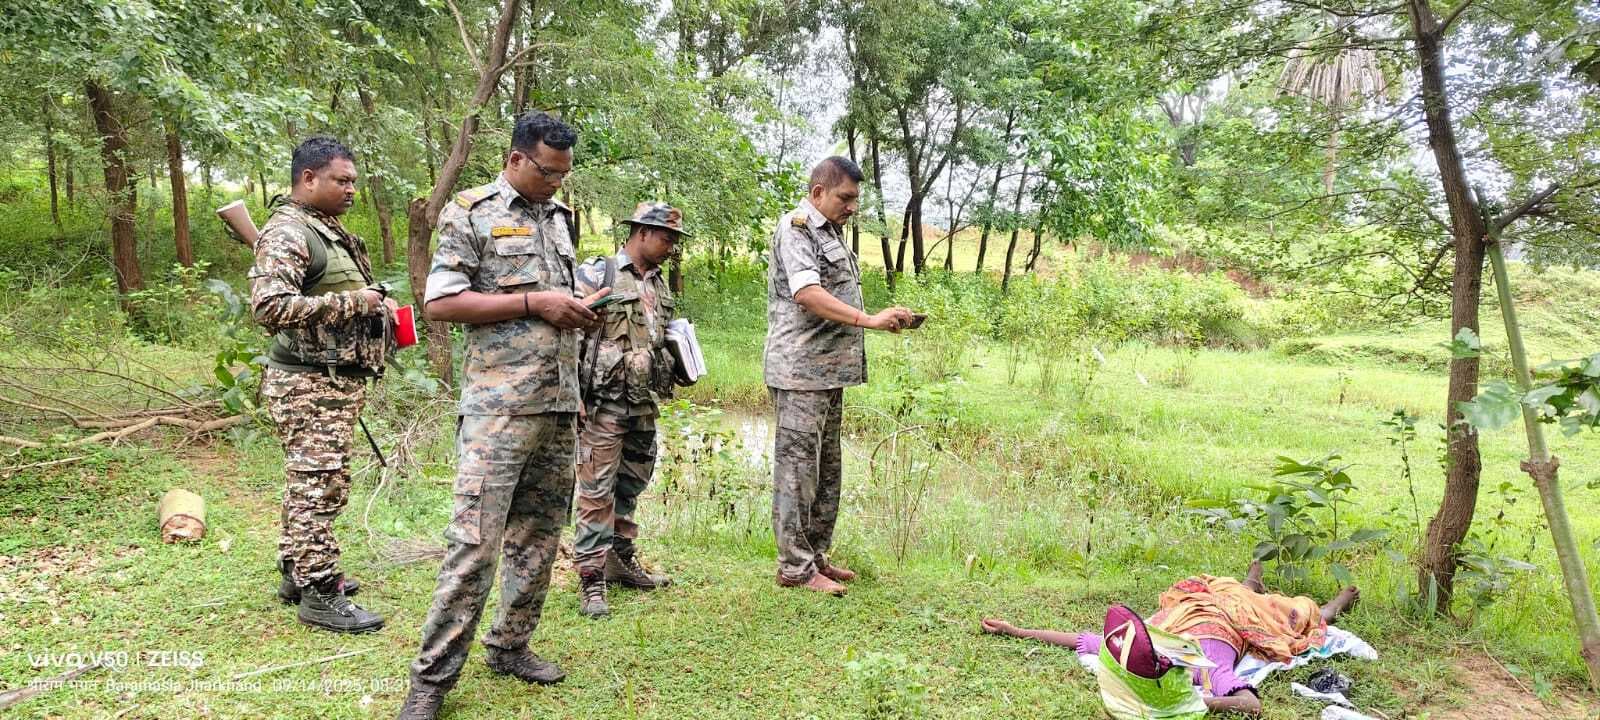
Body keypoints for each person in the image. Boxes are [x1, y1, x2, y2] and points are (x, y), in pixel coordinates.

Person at [396, 111, 608, 720]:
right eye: (548, 172)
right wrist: (533, 301)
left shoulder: (560, 218)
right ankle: (431, 681)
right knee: (475, 545)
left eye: (565, 174)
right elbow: (440, 302)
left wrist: (578, 307)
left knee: (539, 538)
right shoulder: (472, 211)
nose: (557, 184)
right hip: (499, 410)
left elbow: (553, 301)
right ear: (516, 159)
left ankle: (511, 645)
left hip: (559, 403)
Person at [249, 135, 394, 634]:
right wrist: (356, 303)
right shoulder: (289, 231)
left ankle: (296, 569)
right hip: (308, 384)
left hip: (331, 382)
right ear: (309, 179)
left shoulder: (324, 228)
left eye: (354, 181)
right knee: (320, 484)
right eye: (342, 180)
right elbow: (269, 307)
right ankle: (319, 592)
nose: (352, 189)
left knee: (306, 481)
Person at [764, 156, 915, 595]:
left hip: (829, 373)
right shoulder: (796, 229)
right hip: (799, 372)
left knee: (826, 471)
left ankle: (815, 557)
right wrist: (867, 320)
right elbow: (808, 294)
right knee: (797, 471)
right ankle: (793, 567)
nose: (851, 207)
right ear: (817, 193)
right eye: (844, 198)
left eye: (855, 200)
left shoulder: (831, 233)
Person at [979, 562, 1361, 715]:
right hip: (1227, 617)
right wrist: (1017, 631)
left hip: (1206, 606)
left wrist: (1019, 630)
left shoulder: (1193, 666)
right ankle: (1328, 600)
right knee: (1298, 616)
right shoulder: (1196, 670)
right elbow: (1249, 704)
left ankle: (1252, 578)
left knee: (1239, 594)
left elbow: (1251, 705)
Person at [571, 202, 688, 618]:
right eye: (666, 237)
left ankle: (620, 560)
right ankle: (591, 578)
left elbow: (660, 338)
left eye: (675, 239)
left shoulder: (659, 283)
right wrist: (574, 397)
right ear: (641, 232)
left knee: (631, 483)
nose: (672, 246)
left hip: (643, 403)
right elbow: (569, 335)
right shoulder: (599, 273)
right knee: (596, 490)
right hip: (602, 402)